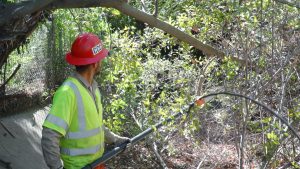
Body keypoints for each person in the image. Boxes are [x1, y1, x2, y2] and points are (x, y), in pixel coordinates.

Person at [41, 33, 130, 169]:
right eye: (100, 59)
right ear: (95, 63)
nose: (101, 62)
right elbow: (49, 136)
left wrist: (116, 140)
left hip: (97, 163)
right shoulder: (68, 92)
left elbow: (96, 127)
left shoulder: (92, 88)